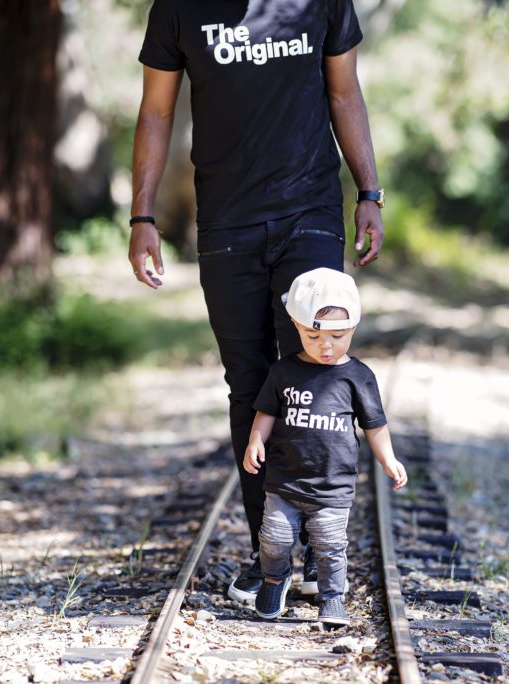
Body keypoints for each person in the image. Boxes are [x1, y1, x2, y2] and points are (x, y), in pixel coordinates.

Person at [128, 0, 387, 605]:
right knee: (250, 386)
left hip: (310, 212)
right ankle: (270, 553)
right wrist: (142, 216)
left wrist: (369, 192)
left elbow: (344, 92)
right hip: (226, 224)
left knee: (316, 374)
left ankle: (321, 548)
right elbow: (156, 111)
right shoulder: (177, 9)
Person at [243, 268, 407, 625]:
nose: (326, 345)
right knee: (274, 539)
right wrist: (256, 440)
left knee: (330, 547)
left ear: (354, 328)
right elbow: (266, 411)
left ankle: (332, 599)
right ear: (296, 326)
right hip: (285, 481)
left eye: (337, 336)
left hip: (332, 486)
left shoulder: (358, 377)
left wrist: (388, 459)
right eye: (313, 336)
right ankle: (274, 580)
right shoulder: (284, 371)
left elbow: (374, 425)